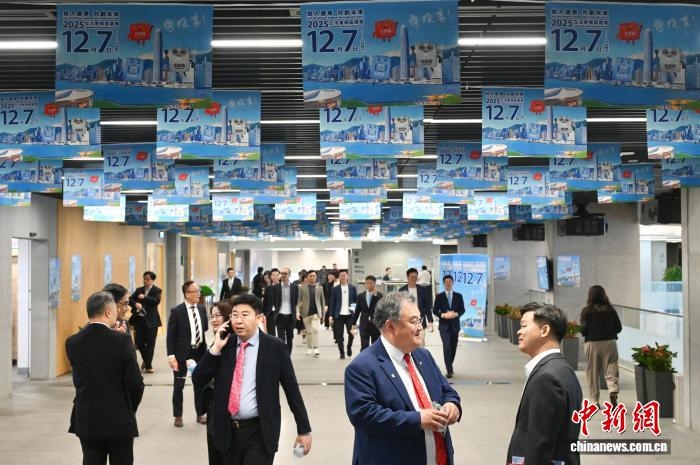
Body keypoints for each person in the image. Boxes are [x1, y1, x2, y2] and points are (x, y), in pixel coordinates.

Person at [192, 294, 312, 465]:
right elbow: (198, 379)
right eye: (234, 315)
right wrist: (215, 348)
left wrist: (304, 430)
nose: (238, 321)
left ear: (258, 318)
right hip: (226, 432)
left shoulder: (274, 347)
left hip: (260, 432)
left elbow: (292, 390)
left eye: (245, 315)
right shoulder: (224, 345)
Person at [344, 291, 461, 465]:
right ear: (391, 326)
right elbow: (364, 415)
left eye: (420, 320)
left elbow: (446, 390)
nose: (420, 327)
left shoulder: (423, 356)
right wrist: (417, 420)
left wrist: (452, 404)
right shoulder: (363, 367)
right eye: (414, 321)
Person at [66, 291, 144, 465]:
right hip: (118, 417)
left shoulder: (72, 342)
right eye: (115, 310)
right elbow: (136, 383)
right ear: (108, 312)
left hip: (87, 418)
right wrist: (129, 407)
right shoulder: (122, 341)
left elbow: (86, 375)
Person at [507, 304, 582, 465]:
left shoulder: (547, 378)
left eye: (524, 326)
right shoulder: (564, 370)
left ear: (544, 330)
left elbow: (540, 444)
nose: (519, 331)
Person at [167, 280, 209, 427]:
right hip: (182, 354)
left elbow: (204, 328)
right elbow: (171, 336)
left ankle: (200, 414)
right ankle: (178, 416)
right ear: (187, 294)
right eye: (195, 291)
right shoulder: (176, 312)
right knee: (179, 386)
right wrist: (171, 356)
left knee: (200, 385)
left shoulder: (202, 309)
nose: (199, 294)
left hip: (200, 352)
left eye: (198, 291)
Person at [580, 285, 622, 407]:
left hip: (592, 344)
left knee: (592, 372)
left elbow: (583, 331)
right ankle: (613, 389)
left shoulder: (586, 311)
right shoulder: (611, 310)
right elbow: (618, 328)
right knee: (612, 367)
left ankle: (595, 401)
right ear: (604, 295)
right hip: (610, 343)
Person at [204, 301, 233, 465]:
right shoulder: (217, 340)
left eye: (217, 316)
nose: (214, 320)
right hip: (214, 406)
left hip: (225, 409)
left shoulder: (229, 342)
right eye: (212, 316)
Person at [128, 271, 162, 373]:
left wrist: (144, 297)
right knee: (139, 342)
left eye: (148, 279)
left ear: (152, 280)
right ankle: (147, 360)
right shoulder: (139, 290)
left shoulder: (157, 290)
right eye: (144, 279)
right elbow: (129, 300)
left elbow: (156, 301)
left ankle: (148, 366)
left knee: (150, 344)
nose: (145, 281)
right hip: (140, 321)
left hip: (152, 322)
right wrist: (136, 304)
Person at [432, 275, 465, 379]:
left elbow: (462, 310)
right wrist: (443, 315)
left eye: (450, 281)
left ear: (453, 283)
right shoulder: (439, 296)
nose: (448, 283)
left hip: (455, 326)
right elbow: (435, 310)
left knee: (453, 347)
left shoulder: (458, 296)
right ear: (444, 284)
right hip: (444, 326)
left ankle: (450, 364)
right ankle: (449, 369)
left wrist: (456, 314)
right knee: (446, 346)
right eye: (446, 282)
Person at [296, 270, 325, 357]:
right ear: (307, 277)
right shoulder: (301, 288)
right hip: (305, 313)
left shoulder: (320, 288)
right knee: (308, 331)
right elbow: (298, 301)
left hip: (316, 313)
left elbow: (322, 302)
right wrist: (297, 312)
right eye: (311, 276)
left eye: (314, 276)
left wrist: (323, 315)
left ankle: (316, 348)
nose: (312, 277)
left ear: (316, 277)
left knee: (315, 330)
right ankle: (309, 347)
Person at [329, 269, 358, 359]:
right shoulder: (335, 289)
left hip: (350, 315)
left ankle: (349, 346)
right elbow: (332, 302)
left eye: (344, 275)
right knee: (339, 336)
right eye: (341, 275)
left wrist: (356, 313)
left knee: (351, 333)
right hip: (339, 316)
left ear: (347, 276)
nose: (343, 277)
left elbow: (355, 301)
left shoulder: (352, 288)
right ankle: (341, 352)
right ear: (339, 277)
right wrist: (330, 315)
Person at [352, 275, 383, 351]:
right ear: (365, 284)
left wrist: (375, 296)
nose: (369, 285)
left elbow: (381, 310)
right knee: (364, 346)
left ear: (374, 284)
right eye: (367, 283)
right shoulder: (360, 296)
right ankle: (364, 358)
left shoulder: (379, 296)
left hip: (375, 325)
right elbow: (357, 310)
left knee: (375, 346)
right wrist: (353, 323)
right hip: (364, 324)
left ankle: (375, 358)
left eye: (371, 283)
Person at [399, 268, 434, 334]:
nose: (414, 279)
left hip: (420, 320)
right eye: (412, 277)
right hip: (406, 321)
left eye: (415, 277)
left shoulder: (422, 290)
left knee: (420, 339)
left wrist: (430, 321)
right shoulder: (402, 290)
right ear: (407, 277)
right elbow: (399, 307)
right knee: (408, 340)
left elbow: (427, 306)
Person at [273, 267, 298, 354]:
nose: (283, 275)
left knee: (290, 338)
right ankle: (283, 355)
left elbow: (295, 301)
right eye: (282, 273)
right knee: (281, 338)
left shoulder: (295, 287)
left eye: (285, 273)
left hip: (290, 316)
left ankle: (288, 355)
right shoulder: (276, 287)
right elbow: (275, 301)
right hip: (280, 316)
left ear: (289, 275)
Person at [262, 268, 280, 337]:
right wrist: (263, 313)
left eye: (277, 275)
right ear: (271, 276)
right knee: (271, 332)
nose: (275, 277)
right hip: (270, 313)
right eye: (273, 275)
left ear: (279, 276)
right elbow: (265, 301)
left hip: (281, 312)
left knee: (281, 331)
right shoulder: (268, 288)